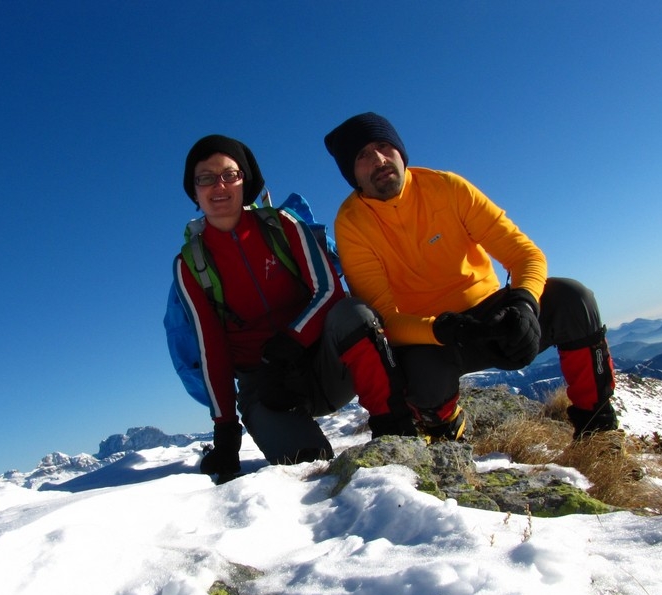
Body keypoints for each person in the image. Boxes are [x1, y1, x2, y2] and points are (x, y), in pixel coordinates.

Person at [323, 112, 618, 441]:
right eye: (362, 156)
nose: (378, 159)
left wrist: (524, 304)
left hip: (496, 313)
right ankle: (442, 426)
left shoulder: (446, 187)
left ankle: (598, 429)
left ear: (400, 151)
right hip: (434, 336)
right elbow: (384, 319)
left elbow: (525, 255)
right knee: (418, 375)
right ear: (352, 173)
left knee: (573, 299)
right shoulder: (352, 225)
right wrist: (442, 330)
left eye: (383, 146)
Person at [175, 134, 416, 483]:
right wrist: (226, 431)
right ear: (194, 191)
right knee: (309, 469)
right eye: (205, 178)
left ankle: (393, 431)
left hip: (323, 362)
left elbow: (330, 291)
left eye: (230, 174)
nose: (219, 186)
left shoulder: (282, 225)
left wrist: (292, 342)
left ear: (246, 181)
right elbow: (210, 346)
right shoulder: (191, 264)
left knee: (354, 314)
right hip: (268, 388)